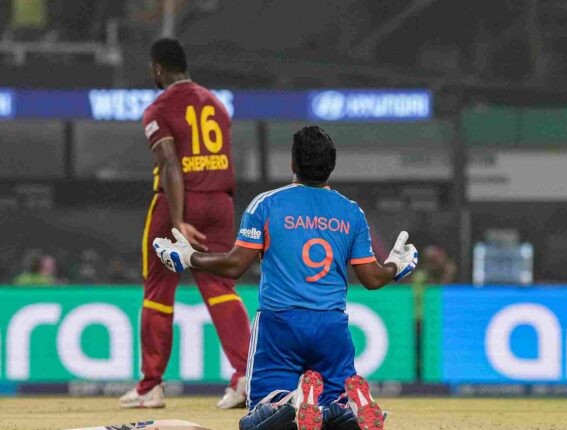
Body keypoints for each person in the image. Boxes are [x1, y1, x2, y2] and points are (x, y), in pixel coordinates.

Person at [152, 126, 419, 430]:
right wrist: (396, 266)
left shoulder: (266, 204)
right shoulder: (351, 212)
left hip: (279, 326)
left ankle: (291, 400)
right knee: (330, 408)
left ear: (293, 163)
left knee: (257, 417)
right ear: (331, 165)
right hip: (331, 327)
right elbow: (372, 278)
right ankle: (348, 406)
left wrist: (188, 257)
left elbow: (235, 265)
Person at [119, 38, 251, 410]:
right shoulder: (217, 103)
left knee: (158, 289)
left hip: (179, 201)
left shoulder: (159, 108)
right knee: (220, 287)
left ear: (158, 68)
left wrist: (177, 218)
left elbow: (170, 163)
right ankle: (246, 376)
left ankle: (150, 386)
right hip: (220, 202)